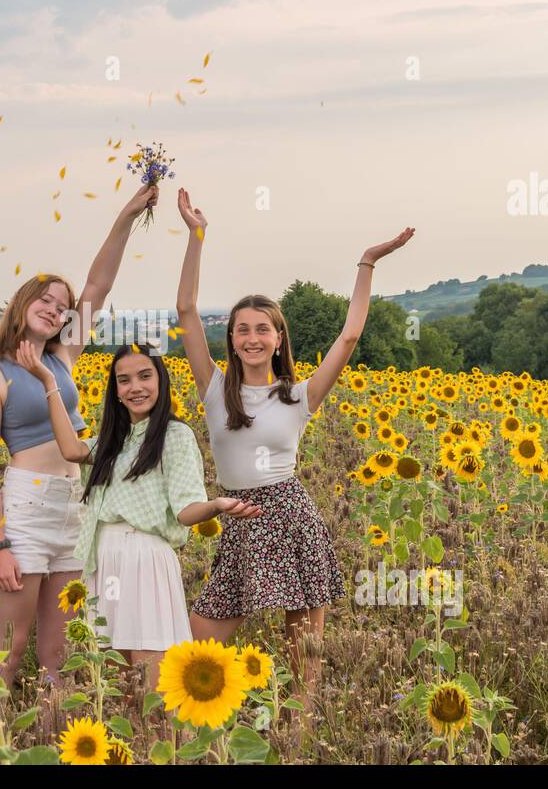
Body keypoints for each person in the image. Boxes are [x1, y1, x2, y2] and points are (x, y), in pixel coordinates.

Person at [173, 187, 414, 689]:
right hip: (236, 518)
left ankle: (296, 737)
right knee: (197, 645)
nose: (253, 337)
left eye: (263, 328)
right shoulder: (215, 390)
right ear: (232, 340)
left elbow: (348, 337)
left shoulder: (299, 396)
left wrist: (367, 263)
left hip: (289, 517)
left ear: (279, 338)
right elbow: (187, 312)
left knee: (303, 654)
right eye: (243, 330)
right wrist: (197, 235)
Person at [0, 184, 157, 688]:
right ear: (22, 303)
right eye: (45, 299)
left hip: (74, 507)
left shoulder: (61, 357)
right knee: (5, 652)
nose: (55, 309)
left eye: (62, 306)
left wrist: (127, 215)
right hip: (24, 512)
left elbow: (98, 284)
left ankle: (54, 744)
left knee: (60, 658)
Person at [16, 339, 259, 689]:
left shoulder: (175, 436)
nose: (135, 387)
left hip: (145, 559)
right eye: (124, 380)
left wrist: (216, 507)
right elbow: (70, 448)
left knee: (154, 682)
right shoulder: (114, 440)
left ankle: (168, 742)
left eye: (145, 376)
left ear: (161, 380)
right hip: (105, 560)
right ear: (115, 390)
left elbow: (187, 510)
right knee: (115, 680)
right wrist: (48, 383)